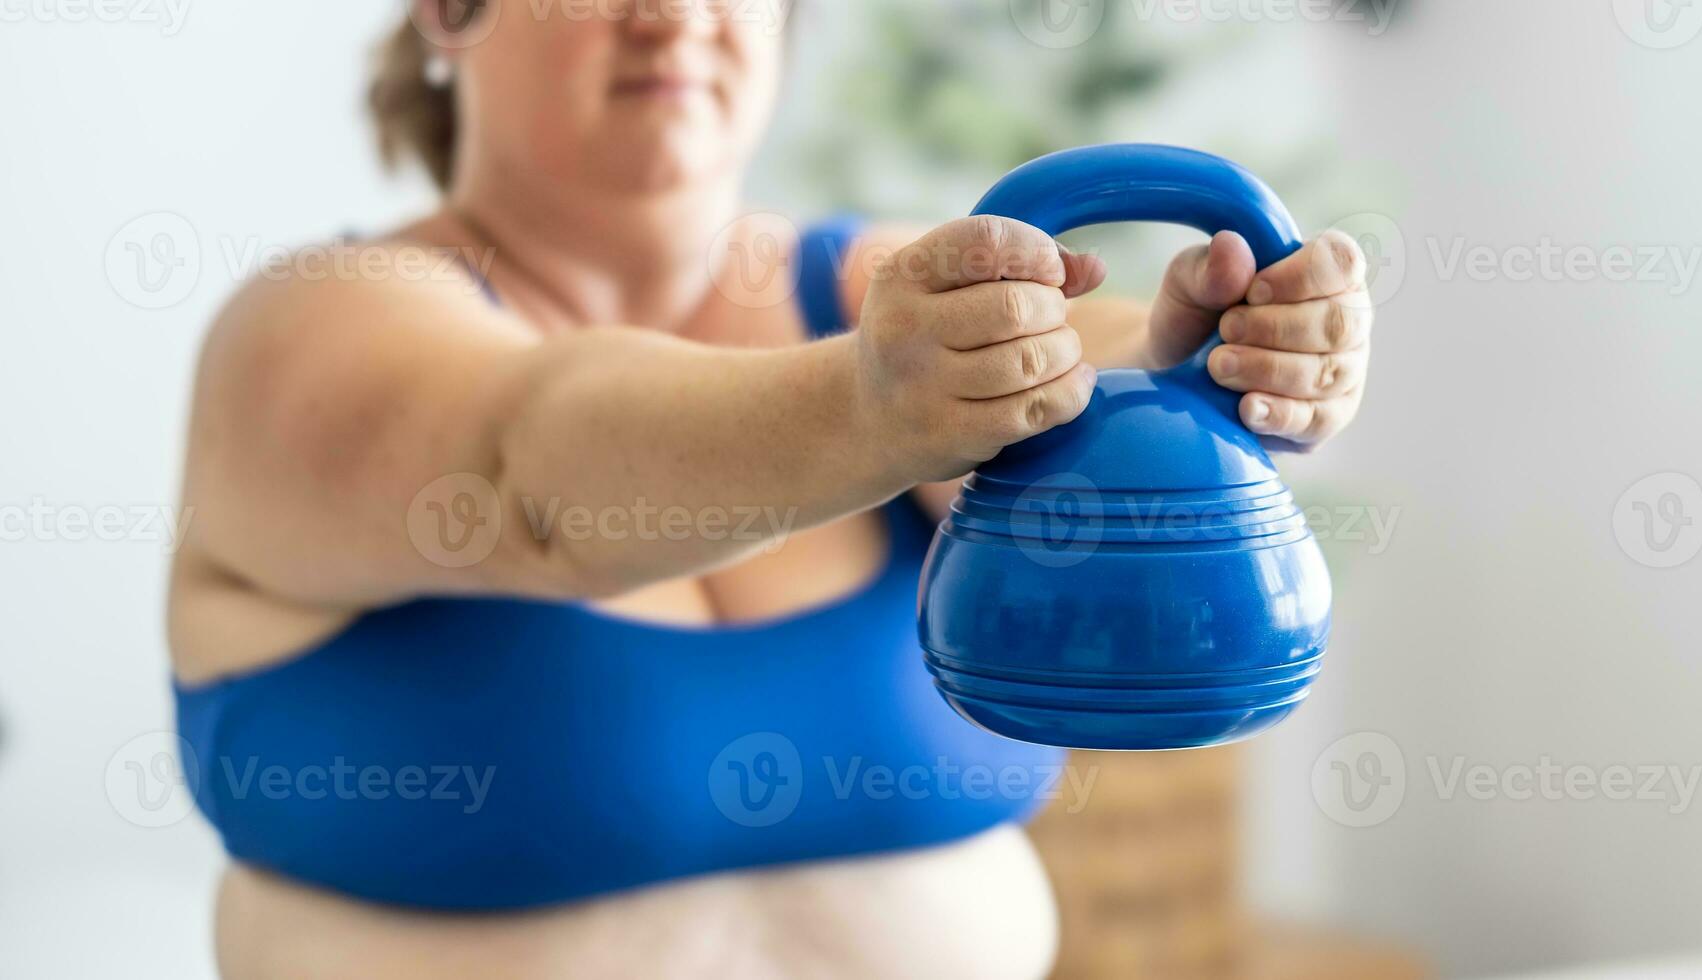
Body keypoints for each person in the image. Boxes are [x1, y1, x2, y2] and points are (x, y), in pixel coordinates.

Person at [166, 3, 1374, 977]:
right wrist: (872, 409)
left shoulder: (869, 293)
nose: (673, 16)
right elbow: (524, 478)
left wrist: (1208, 358)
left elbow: (1093, 349)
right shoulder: (309, 330)